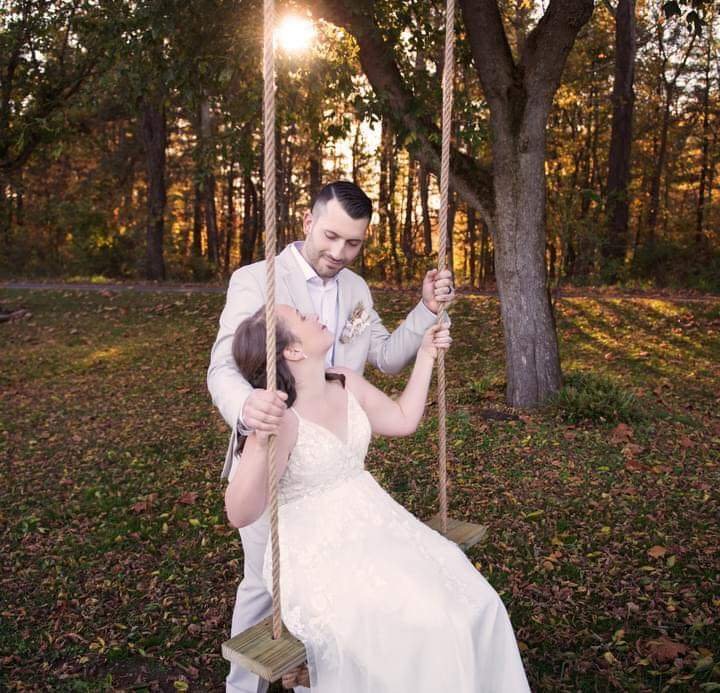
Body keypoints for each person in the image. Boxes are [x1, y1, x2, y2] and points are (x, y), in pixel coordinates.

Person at [207, 180, 454, 693]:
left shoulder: (357, 290)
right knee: (262, 586)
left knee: (344, 598)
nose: (339, 253)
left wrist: (426, 311)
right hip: (277, 457)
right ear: (306, 221)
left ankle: (321, 677)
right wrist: (251, 411)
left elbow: (383, 355)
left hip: (332, 468)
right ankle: (241, 688)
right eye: (331, 237)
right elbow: (223, 365)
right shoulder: (258, 280)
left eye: (354, 244)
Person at [225, 304, 531, 692]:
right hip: (320, 549)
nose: (315, 315)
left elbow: (402, 419)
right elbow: (239, 512)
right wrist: (256, 440)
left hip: (379, 523)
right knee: (427, 626)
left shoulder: (346, 381)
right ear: (293, 351)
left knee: (477, 603)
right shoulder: (281, 420)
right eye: (303, 316)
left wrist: (424, 354)